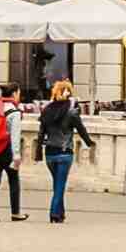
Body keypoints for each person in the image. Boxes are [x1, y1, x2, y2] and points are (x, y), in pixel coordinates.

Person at [38, 79, 96, 223]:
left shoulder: (46, 111)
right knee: (60, 185)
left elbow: (41, 133)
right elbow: (82, 130)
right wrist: (89, 143)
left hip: (50, 153)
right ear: (68, 93)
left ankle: (60, 213)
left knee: (57, 183)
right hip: (65, 152)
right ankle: (53, 213)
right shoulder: (71, 113)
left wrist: (39, 149)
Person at [0, 81, 28, 223]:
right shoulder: (14, 112)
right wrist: (17, 155)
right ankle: (15, 213)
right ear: (14, 94)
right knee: (14, 180)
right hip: (7, 150)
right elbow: (15, 135)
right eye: (19, 93)